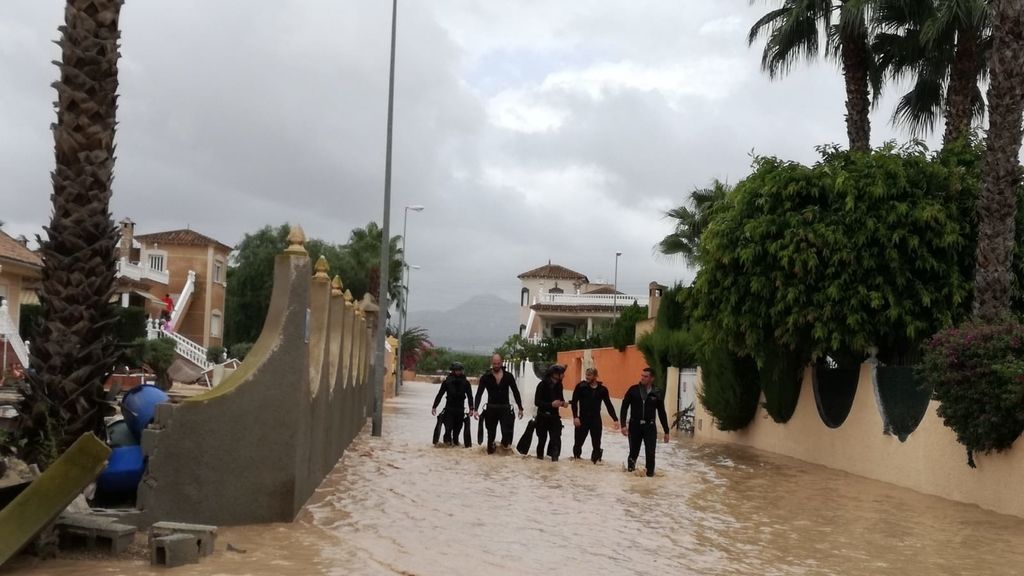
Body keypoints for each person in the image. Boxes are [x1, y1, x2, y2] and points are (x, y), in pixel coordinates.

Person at [619, 367, 670, 477]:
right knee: (633, 452)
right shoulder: (633, 390)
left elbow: (662, 412)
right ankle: (630, 476)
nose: (642, 378)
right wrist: (623, 425)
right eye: (642, 376)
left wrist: (666, 431)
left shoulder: (656, 393)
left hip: (650, 426)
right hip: (634, 425)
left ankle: (650, 477)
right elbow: (624, 407)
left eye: (645, 376)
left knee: (650, 453)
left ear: (652, 378)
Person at [473, 354, 524, 454]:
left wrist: (520, 408)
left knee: (506, 434)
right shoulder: (485, 377)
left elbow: (515, 392)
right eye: (494, 364)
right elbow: (479, 394)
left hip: (505, 408)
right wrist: (475, 409)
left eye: (498, 363)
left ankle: (503, 454)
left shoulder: (508, 376)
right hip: (491, 408)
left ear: (502, 362)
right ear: (491, 363)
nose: (496, 365)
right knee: (491, 434)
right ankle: (490, 456)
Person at [570, 367, 619, 463]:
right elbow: (574, 403)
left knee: (596, 444)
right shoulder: (580, 387)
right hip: (582, 419)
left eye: (589, 375)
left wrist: (615, 419)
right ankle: (576, 461)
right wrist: (575, 417)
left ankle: (595, 463)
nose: (587, 377)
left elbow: (608, 404)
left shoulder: (602, 390)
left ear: (595, 376)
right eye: (586, 375)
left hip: (596, 419)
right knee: (578, 443)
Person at [431, 362, 474, 446]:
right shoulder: (447, 382)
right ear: (453, 371)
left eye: (460, 370)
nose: (458, 372)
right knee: (448, 429)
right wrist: (434, 407)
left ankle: (455, 444)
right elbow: (440, 394)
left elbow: (470, 397)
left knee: (456, 433)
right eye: (457, 370)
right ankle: (446, 444)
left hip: (460, 410)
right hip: (449, 410)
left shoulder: (466, 383)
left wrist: (471, 408)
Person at [534, 364, 568, 461]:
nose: (563, 376)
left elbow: (560, 398)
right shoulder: (542, 385)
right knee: (542, 441)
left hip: (554, 417)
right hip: (542, 416)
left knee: (556, 440)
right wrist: (551, 404)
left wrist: (563, 403)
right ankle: (539, 462)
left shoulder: (559, 385)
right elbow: (537, 402)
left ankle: (554, 464)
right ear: (554, 374)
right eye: (562, 374)